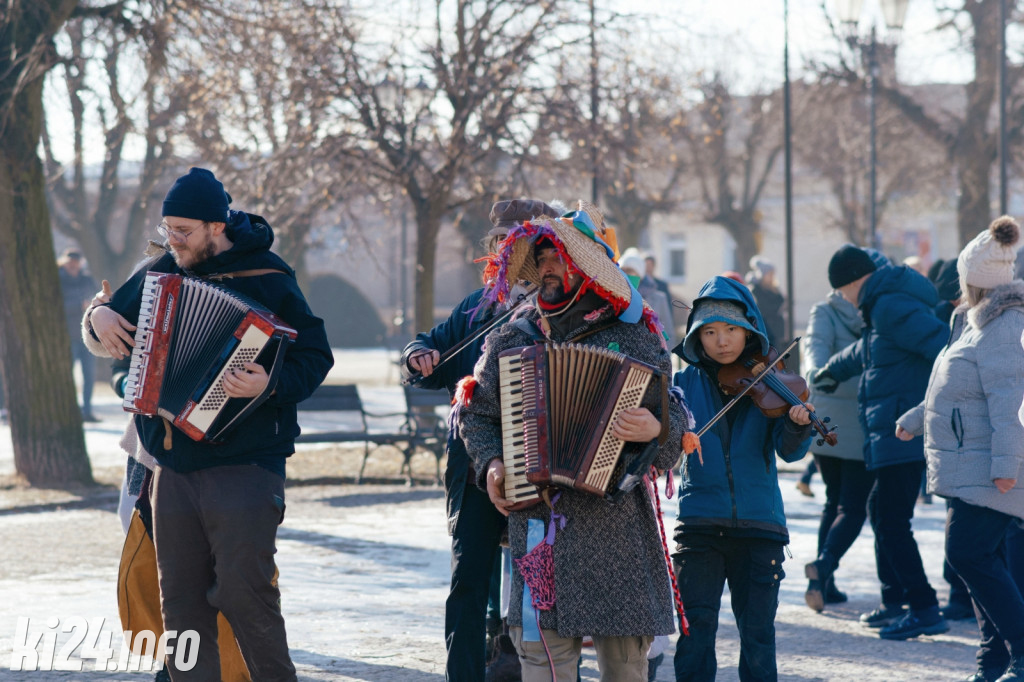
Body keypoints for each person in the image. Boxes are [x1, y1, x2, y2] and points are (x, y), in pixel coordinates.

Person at [83, 167, 334, 681]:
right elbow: (114, 347)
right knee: (181, 610)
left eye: (184, 231)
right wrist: (97, 319)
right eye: (168, 228)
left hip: (246, 464)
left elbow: (315, 356)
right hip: (172, 469)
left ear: (216, 227)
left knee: (247, 597)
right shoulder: (160, 272)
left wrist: (269, 384)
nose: (172, 240)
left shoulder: (267, 275)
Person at [458, 201, 685, 681]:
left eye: (558, 257)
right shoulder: (511, 339)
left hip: (617, 534)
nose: (547, 268)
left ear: (586, 267)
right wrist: (493, 464)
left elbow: (677, 426)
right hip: (538, 529)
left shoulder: (636, 336)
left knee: (626, 671)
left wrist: (657, 429)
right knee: (542, 669)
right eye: (540, 260)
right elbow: (475, 415)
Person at [401, 197, 561, 682]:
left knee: (539, 587)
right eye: (498, 244)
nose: (505, 254)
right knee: (468, 580)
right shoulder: (477, 306)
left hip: (544, 464)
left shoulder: (561, 304)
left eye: (517, 243)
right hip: (473, 463)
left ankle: (531, 670)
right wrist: (418, 355)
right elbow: (431, 346)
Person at [896, 216, 1024, 682]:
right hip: (968, 463)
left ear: (976, 278)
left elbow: (1011, 400)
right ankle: (991, 663)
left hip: (990, 467)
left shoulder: (1005, 325)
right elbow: (950, 389)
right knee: (980, 560)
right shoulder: (971, 323)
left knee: (967, 554)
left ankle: (1021, 652)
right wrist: (914, 420)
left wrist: (1007, 466)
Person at [671, 275, 814, 682]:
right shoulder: (682, 386)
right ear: (697, 337)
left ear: (750, 330)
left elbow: (789, 451)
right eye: (710, 331)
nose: (722, 341)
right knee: (695, 632)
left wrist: (798, 424)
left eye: (732, 329)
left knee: (758, 636)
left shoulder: (772, 384)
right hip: (699, 525)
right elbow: (663, 447)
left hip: (760, 526)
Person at [812, 244, 949, 640]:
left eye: (841, 290)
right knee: (882, 511)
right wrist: (830, 371)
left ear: (853, 282)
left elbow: (942, 347)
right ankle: (897, 601)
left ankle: (923, 607)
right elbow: (868, 351)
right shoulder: (881, 305)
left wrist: (917, 407)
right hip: (891, 430)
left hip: (903, 428)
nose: (841, 298)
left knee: (890, 518)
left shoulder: (887, 305)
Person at [799, 267, 878, 613]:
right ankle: (825, 566)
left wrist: (818, 376)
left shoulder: (823, 311)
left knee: (833, 500)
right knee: (853, 506)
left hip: (825, 419)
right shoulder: (873, 311)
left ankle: (825, 583)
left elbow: (813, 352)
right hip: (861, 418)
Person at [59, 248, 100, 421]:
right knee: (66, 376)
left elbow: (97, 296)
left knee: (89, 376)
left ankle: (87, 411)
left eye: (76, 263)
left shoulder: (87, 280)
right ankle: (67, 411)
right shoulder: (59, 280)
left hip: (87, 336)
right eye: (70, 263)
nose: (73, 266)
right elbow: (58, 305)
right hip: (68, 336)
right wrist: (79, 305)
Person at [620, 247, 674, 347]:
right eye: (624, 270)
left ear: (639, 273)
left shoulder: (659, 298)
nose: (627, 275)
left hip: (653, 355)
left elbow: (668, 332)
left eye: (631, 270)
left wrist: (664, 357)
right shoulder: (616, 298)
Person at [745, 256, 786, 347]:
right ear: (762, 275)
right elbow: (764, 308)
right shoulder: (755, 290)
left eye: (773, 274)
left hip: (777, 331)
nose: (772, 277)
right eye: (769, 274)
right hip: (766, 330)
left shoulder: (774, 288)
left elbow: (781, 302)